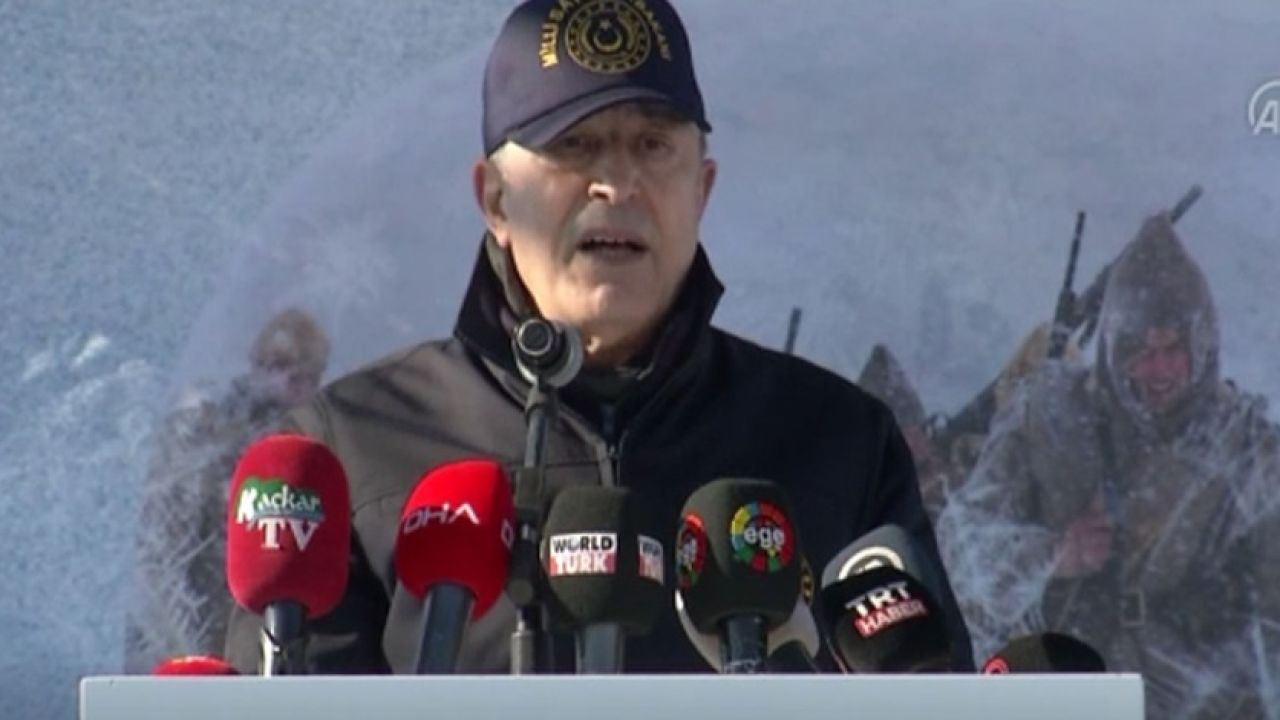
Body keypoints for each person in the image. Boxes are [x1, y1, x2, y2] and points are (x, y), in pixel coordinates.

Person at [225, 0, 973, 674]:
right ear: (494, 199)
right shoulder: (350, 450)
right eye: (575, 145)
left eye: (652, 145)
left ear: (702, 188)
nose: (617, 184)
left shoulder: (840, 442)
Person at [938, 213, 1280, 718]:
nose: (1158, 369)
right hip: (1054, 691)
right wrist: (1054, 555)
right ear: (1114, 347)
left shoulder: (1246, 451)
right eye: (1139, 350)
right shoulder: (1048, 418)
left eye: (1173, 349)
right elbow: (959, 552)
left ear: (1201, 343)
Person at [126, 308, 330, 672]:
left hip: (279, 636)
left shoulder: (320, 449)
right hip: (202, 627)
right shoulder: (205, 436)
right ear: (257, 365)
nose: (291, 382)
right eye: (279, 365)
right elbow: (162, 551)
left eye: (306, 374)